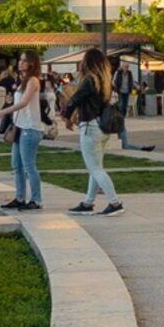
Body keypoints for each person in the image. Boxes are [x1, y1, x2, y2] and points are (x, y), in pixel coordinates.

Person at [66, 56, 126, 216]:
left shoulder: (90, 80)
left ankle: (115, 203)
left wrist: (66, 115)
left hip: (90, 127)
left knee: (95, 168)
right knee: (96, 167)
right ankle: (88, 202)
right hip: (103, 128)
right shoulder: (106, 81)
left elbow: (75, 99)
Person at [3, 66, 53, 212]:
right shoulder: (22, 83)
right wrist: (10, 101)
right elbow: (20, 104)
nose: (21, 63)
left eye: (25, 60)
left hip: (30, 128)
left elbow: (24, 103)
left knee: (29, 166)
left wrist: (2, 112)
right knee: (16, 165)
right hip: (20, 127)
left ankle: (36, 200)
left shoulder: (33, 81)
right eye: (21, 60)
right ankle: (20, 197)